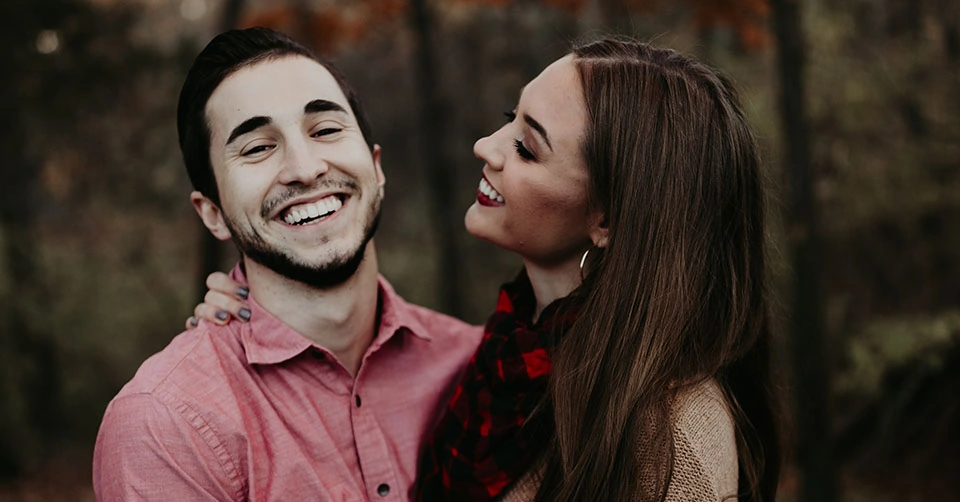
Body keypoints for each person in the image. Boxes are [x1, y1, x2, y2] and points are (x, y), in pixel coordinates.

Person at [196, 39, 782, 501]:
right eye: (510, 117)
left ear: (607, 218)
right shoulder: (504, 360)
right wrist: (258, 312)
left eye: (527, 147)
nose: (486, 145)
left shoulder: (674, 437)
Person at [91, 27, 483, 501]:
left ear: (376, 168)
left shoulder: (478, 367)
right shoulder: (168, 422)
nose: (305, 167)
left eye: (326, 130)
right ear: (212, 212)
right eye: (257, 147)